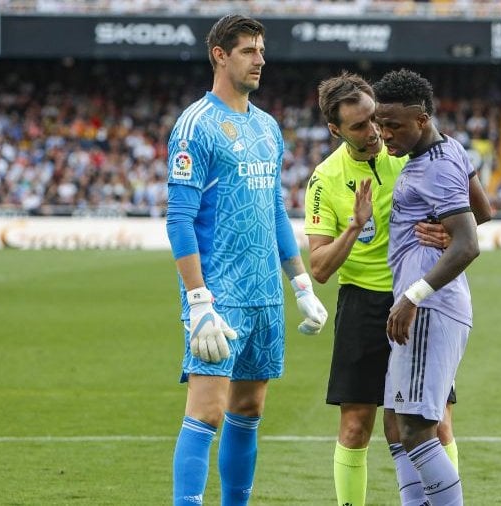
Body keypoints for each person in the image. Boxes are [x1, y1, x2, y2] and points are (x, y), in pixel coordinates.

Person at [304, 71, 491, 506]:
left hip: (418, 298)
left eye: (377, 120)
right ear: (336, 130)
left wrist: (452, 235)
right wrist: (353, 226)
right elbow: (319, 267)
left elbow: (469, 217)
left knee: (432, 421)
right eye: (359, 126)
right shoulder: (325, 178)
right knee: (361, 426)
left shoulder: (407, 147)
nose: (374, 133)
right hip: (365, 301)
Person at [164, 15, 329, 506]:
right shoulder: (196, 126)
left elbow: (273, 206)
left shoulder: (267, 126)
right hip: (218, 295)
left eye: (261, 50)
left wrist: (300, 284)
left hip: (264, 293)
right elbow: (179, 220)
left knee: (250, 408)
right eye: (249, 51)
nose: (261, 59)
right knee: (207, 411)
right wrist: (197, 301)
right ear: (220, 54)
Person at [374, 68, 482, 506]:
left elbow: (469, 243)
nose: (384, 134)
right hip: (425, 306)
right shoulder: (449, 150)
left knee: (418, 427)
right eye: (381, 124)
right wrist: (448, 228)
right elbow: (483, 209)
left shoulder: (434, 167)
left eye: (393, 125)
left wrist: (413, 296)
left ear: (421, 119)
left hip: (429, 308)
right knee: (397, 426)